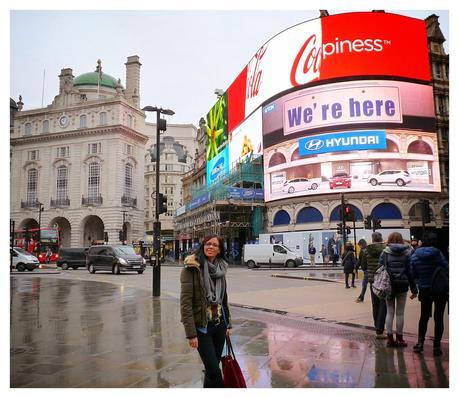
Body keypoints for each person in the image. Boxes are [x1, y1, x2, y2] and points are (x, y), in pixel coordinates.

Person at [180, 234, 232, 388]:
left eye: (215, 245)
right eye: (208, 244)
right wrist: (191, 334)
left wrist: (228, 324)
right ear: (203, 246)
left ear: (219, 250)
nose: (211, 247)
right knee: (215, 372)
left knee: (212, 368)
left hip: (220, 325)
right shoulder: (192, 268)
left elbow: (224, 299)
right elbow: (185, 303)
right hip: (202, 327)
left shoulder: (221, 268)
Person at [411, 232, 449, 356]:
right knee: (439, 317)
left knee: (424, 316)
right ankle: (436, 347)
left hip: (425, 289)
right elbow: (447, 268)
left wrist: (421, 279)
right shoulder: (438, 254)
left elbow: (413, 273)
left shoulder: (415, 255)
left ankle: (420, 343)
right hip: (439, 289)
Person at [381, 232, 418, 348]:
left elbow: (380, 269)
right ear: (402, 240)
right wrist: (414, 289)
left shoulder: (385, 253)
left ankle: (390, 339)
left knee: (389, 311)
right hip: (402, 285)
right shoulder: (407, 253)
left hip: (389, 286)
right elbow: (410, 272)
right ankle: (400, 339)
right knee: (400, 312)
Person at [361, 232, 387, 338]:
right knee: (383, 304)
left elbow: (363, 265)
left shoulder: (366, 250)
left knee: (375, 304)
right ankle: (381, 329)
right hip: (383, 280)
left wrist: (370, 271)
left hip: (372, 280)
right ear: (381, 239)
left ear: (372, 239)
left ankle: (377, 328)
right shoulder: (385, 250)